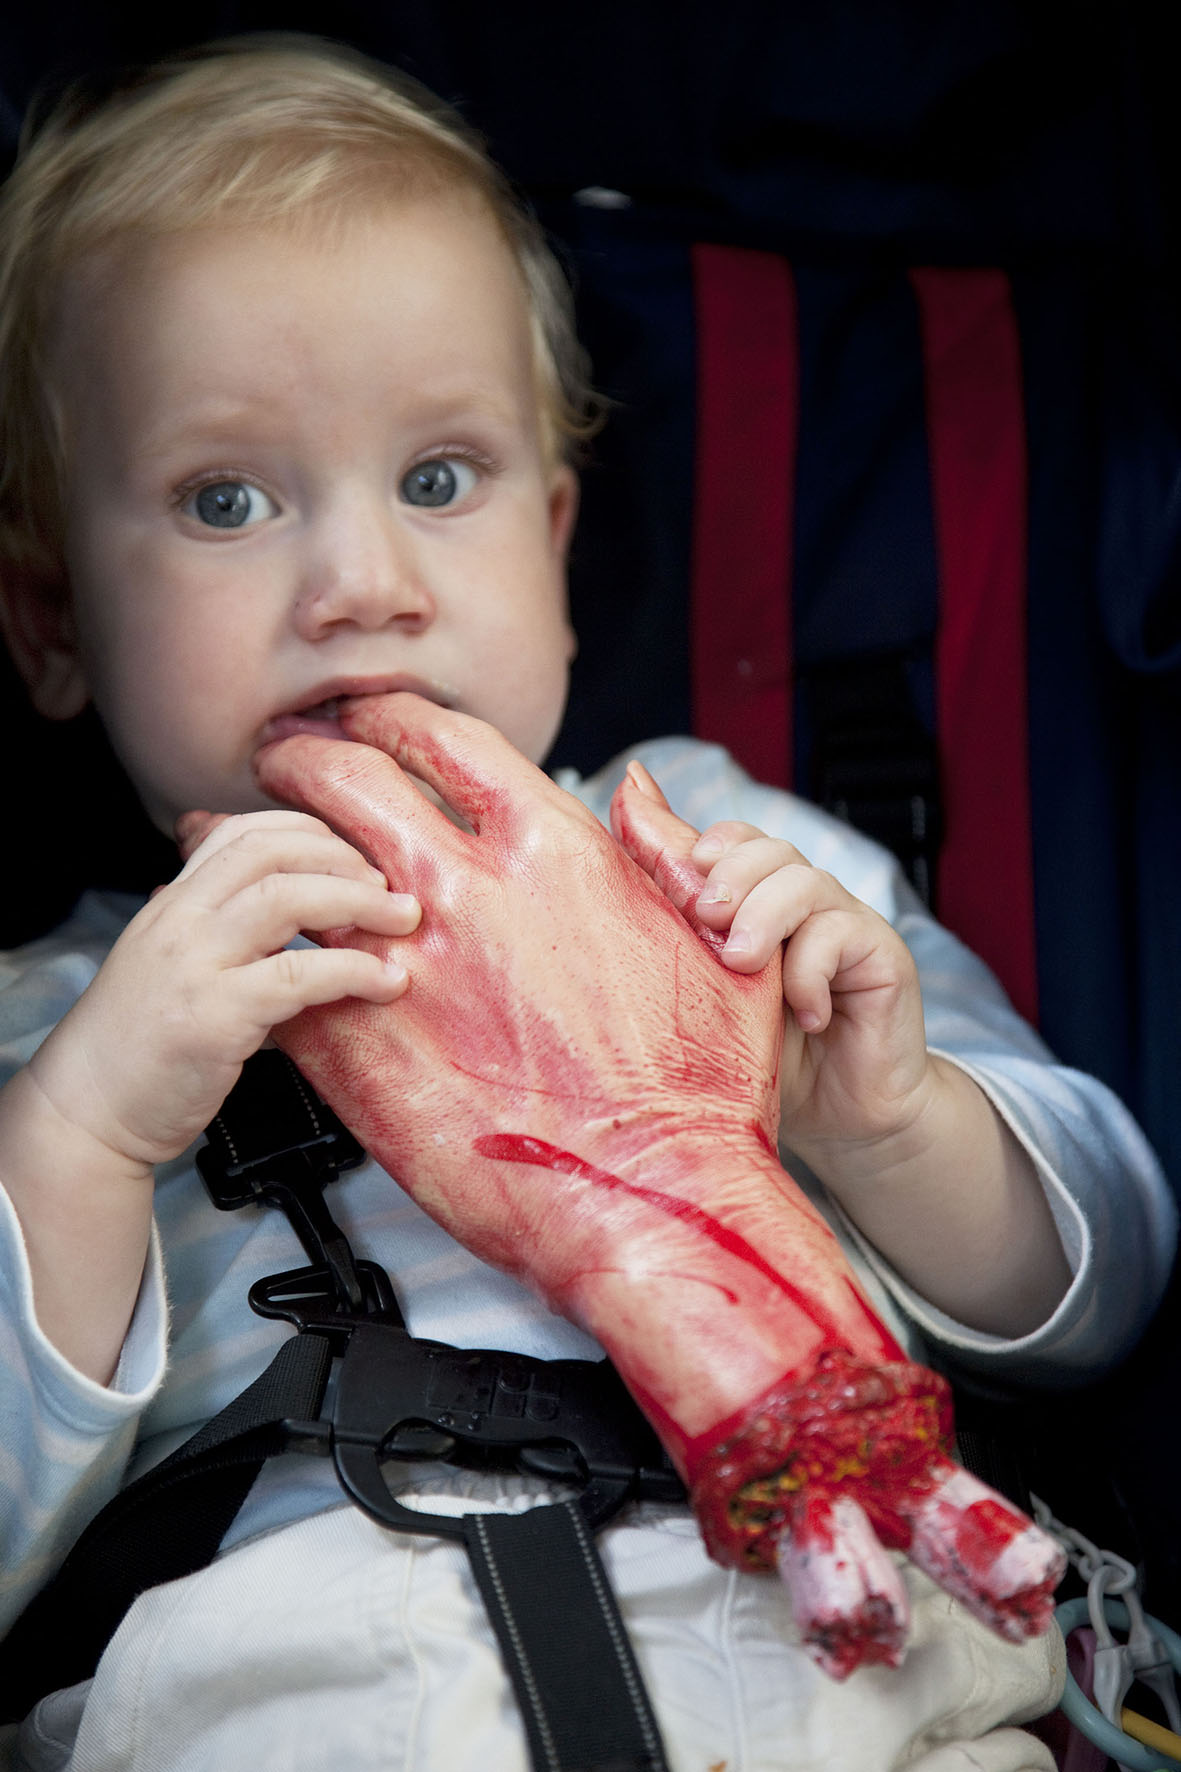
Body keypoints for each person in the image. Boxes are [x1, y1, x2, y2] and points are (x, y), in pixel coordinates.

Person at [0, 33, 1172, 1772]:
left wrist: (885, 1120)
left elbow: (1105, 1283)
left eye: (438, 480)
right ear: (55, 623)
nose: (360, 588)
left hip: (850, 1666)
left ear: (555, 547)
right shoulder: (62, 1018)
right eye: (224, 500)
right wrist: (83, 1143)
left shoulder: (717, 855)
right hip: (305, 1694)